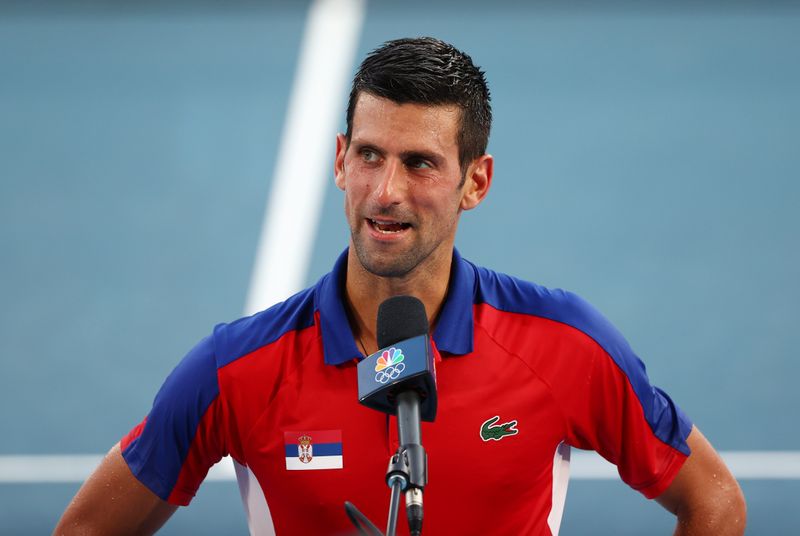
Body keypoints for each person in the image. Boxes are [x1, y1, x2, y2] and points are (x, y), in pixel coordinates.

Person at [55, 37, 746, 535]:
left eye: (419, 163)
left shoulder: (564, 345)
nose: (385, 192)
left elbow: (713, 501)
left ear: (476, 181)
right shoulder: (237, 370)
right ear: (338, 160)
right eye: (369, 155)